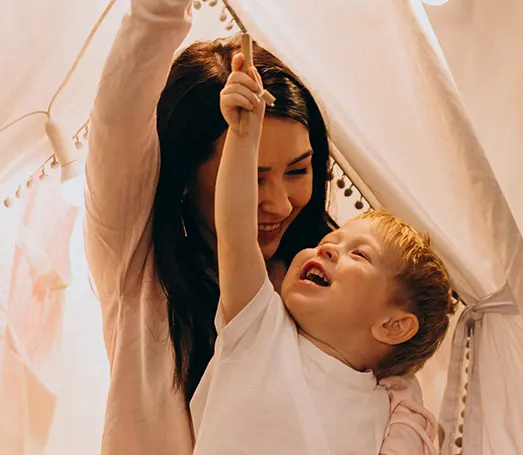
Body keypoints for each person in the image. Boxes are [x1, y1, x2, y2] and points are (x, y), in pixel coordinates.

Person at [85, 0, 442, 453]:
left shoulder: (332, 300)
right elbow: (117, 125)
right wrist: (159, 12)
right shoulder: (142, 268)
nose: (278, 202)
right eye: (252, 176)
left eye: (298, 171)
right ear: (183, 179)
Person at [188, 52, 456, 454]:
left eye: (359, 254)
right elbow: (235, 235)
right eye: (329, 242)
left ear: (393, 326)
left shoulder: (387, 413)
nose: (328, 247)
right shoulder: (260, 327)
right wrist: (243, 136)